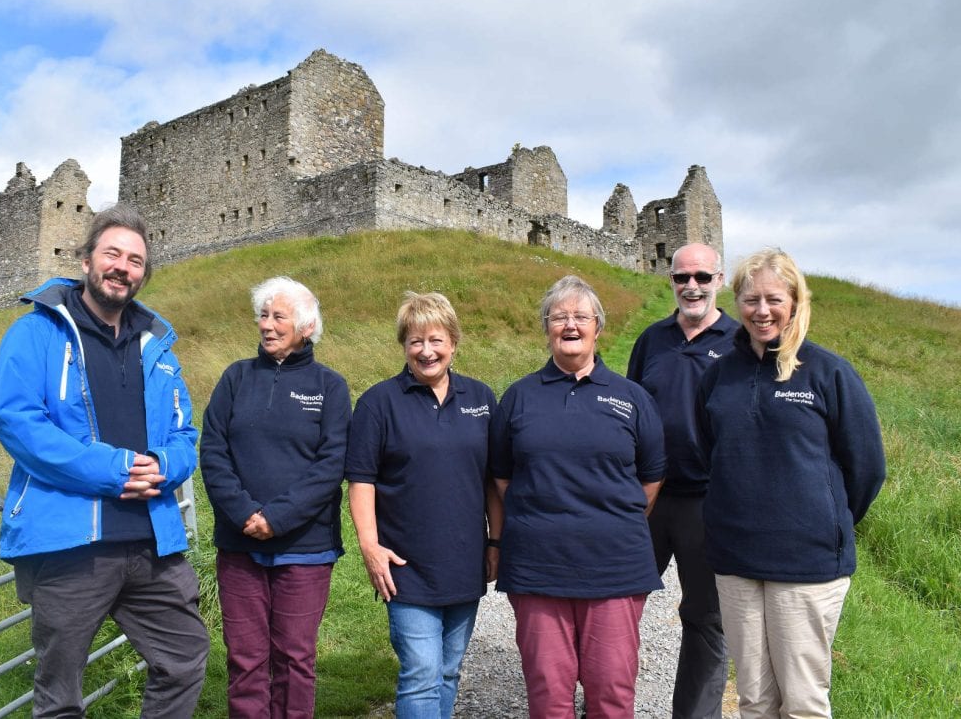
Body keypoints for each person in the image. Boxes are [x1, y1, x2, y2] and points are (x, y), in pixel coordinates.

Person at [0, 204, 209, 718]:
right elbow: (20, 423)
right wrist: (113, 471)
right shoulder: (36, 332)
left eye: (136, 260)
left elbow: (184, 433)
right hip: (72, 544)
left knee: (184, 658)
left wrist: (164, 466)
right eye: (112, 253)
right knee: (60, 692)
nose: (123, 267)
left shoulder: (158, 345)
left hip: (152, 539)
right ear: (86, 259)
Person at [696, 248, 886, 718]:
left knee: (802, 701)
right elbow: (710, 453)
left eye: (774, 299)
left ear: (796, 300)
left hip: (807, 563)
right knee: (756, 699)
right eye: (751, 299)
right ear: (736, 301)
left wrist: (823, 520)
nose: (762, 311)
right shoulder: (720, 376)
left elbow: (866, 468)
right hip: (736, 559)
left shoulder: (828, 372)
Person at [490, 274, 666, 719]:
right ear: (546, 327)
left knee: (611, 692)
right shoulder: (518, 398)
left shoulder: (632, 398)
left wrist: (608, 519)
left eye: (580, 316)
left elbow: (651, 478)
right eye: (559, 317)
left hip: (616, 569)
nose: (570, 325)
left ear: (598, 327)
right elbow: (503, 477)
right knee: (548, 695)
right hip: (537, 569)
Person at [199, 276, 351, 718]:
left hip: (305, 548)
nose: (266, 325)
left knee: (295, 659)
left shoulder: (330, 386)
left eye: (278, 316)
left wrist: (277, 518)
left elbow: (331, 464)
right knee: (245, 660)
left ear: (306, 327)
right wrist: (245, 513)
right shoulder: (235, 378)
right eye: (263, 315)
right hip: (239, 543)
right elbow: (213, 451)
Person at [345, 291, 499, 718]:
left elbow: (492, 481)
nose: (426, 351)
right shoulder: (379, 403)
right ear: (404, 346)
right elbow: (361, 482)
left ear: (453, 341)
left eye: (436, 339)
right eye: (415, 341)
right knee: (421, 671)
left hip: (465, 561)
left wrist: (496, 543)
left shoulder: (481, 399)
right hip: (405, 565)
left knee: (449, 670)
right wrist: (370, 548)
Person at [626, 242, 738, 719]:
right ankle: (610, 703)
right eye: (681, 278)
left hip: (709, 502)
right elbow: (625, 412)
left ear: (719, 280)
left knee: (706, 619)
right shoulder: (652, 340)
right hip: (647, 497)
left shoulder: (741, 342)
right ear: (669, 281)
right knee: (618, 605)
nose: (691, 286)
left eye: (702, 277)